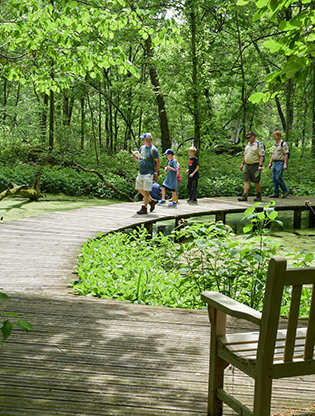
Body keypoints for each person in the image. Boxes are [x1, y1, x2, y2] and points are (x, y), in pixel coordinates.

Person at [133, 132, 160, 215]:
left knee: (146, 190)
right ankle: (151, 201)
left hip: (149, 172)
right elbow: (141, 159)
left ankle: (144, 208)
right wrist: (136, 157)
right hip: (141, 172)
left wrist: (156, 172)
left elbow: (158, 162)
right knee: (139, 188)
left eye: (143, 139)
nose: (142, 140)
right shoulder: (142, 148)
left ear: (148, 139)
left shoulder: (153, 150)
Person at [238, 131, 265, 202]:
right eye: (247, 138)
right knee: (247, 180)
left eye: (249, 137)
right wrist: (242, 164)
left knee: (256, 181)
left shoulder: (259, 144)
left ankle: (259, 195)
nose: (248, 139)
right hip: (247, 165)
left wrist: (260, 165)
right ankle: (244, 195)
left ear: (253, 137)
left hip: (255, 165)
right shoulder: (247, 144)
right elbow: (245, 155)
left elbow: (262, 155)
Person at [268, 130, 290, 198]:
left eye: (275, 136)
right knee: (274, 178)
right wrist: (270, 163)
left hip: (280, 162)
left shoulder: (283, 143)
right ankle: (276, 193)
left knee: (278, 177)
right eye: (274, 136)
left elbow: (286, 154)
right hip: (275, 162)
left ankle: (285, 190)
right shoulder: (275, 144)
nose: (274, 137)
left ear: (279, 136)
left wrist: (285, 164)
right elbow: (273, 154)